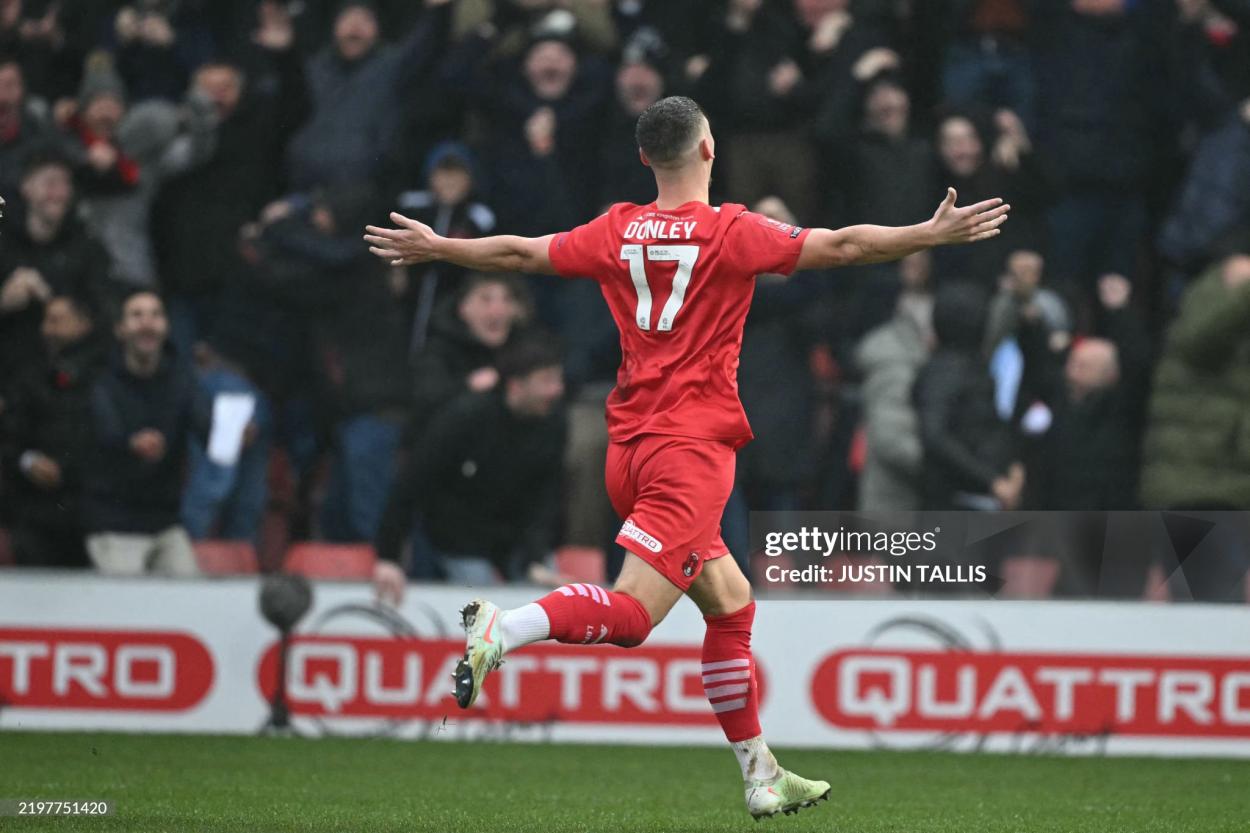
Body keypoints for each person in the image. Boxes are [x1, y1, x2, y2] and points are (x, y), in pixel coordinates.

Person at [364, 94, 1009, 820]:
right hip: (691, 452)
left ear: (646, 158)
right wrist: (929, 233)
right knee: (636, 617)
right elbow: (845, 246)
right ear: (709, 150)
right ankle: (504, 627)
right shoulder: (730, 231)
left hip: (631, 447)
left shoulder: (616, 230)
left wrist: (440, 248)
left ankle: (760, 772)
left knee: (731, 606)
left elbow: (520, 252)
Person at [374, 334, 568, 587]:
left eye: (557, 379)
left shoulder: (553, 423)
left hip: (517, 539)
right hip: (459, 538)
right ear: (515, 385)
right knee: (482, 605)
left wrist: (536, 558)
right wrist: (389, 556)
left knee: (550, 593)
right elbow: (413, 480)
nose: (557, 390)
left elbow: (546, 498)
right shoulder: (465, 418)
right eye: (546, 381)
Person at [84, 290, 205, 576]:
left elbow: (207, 428)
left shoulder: (181, 378)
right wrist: (130, 444)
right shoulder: (98, 378)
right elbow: (103, 431)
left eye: (156, 315)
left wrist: (235, 434)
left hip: (166, 523)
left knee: (193, 595)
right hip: (114, 523)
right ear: (120, 329)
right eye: (137, 315)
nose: (147, 323)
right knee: (124, 608)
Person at [1, 293, 105, 567]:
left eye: (58, 320)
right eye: (46, 321)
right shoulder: (29, 375)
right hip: (34, 507)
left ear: (83, 324)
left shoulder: (105, 375)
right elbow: (10, 435)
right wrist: (28, 461)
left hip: (91, 509)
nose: (48, 329)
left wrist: (68, 469)